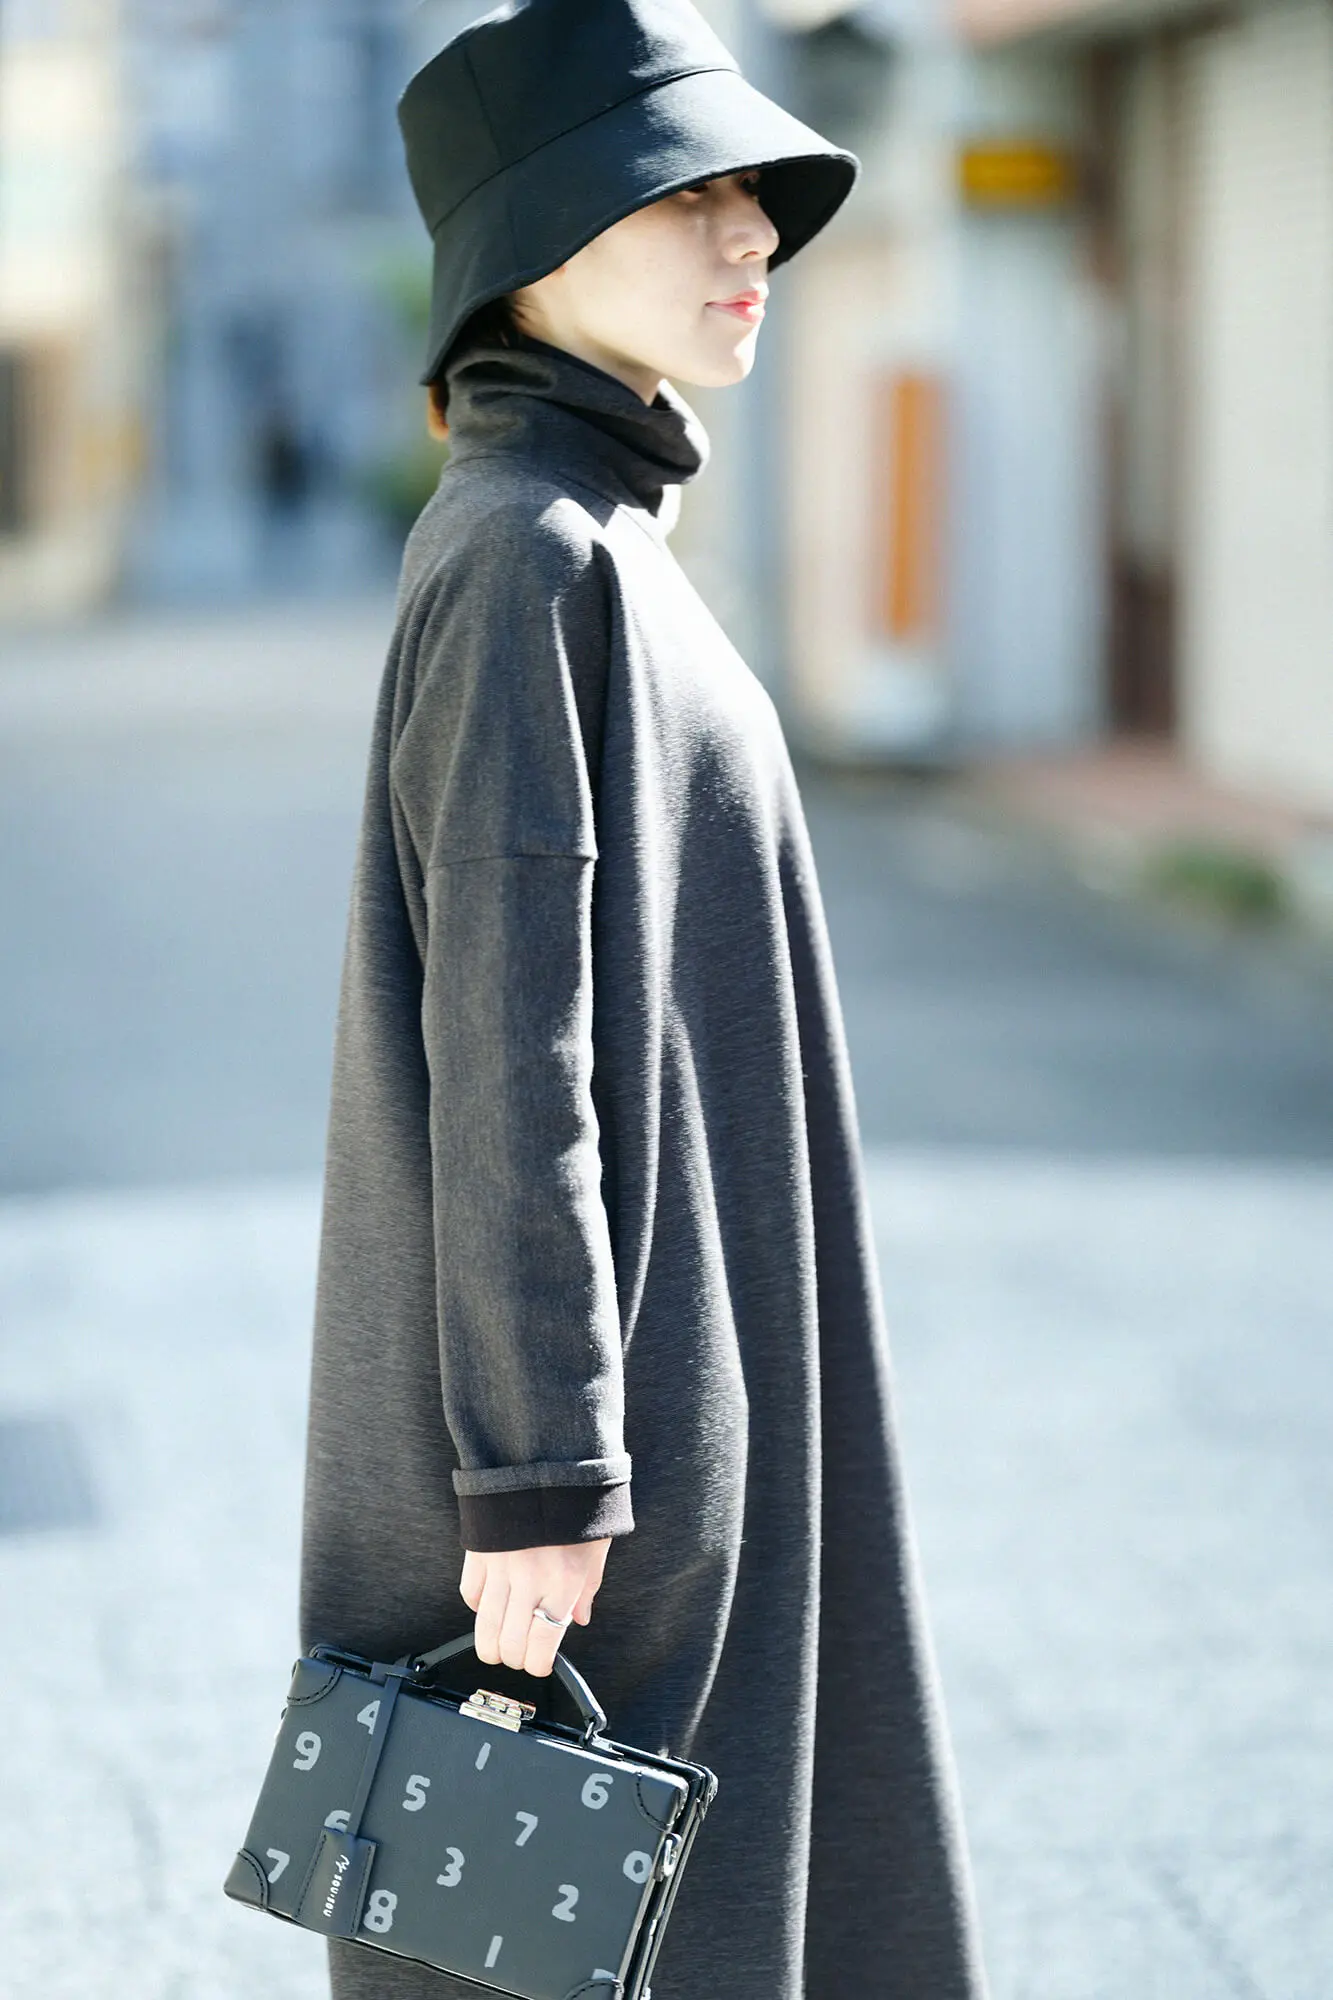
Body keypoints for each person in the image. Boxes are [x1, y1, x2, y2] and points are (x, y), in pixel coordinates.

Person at [299, 2, 989, 1996]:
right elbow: (512, 1048)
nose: (749, 230)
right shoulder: (529, 560)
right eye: (683, 191)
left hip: (672, 1431)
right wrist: (539, 1478)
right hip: (597, 1493)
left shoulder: (603, 540)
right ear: (531, 239)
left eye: (751, 189)